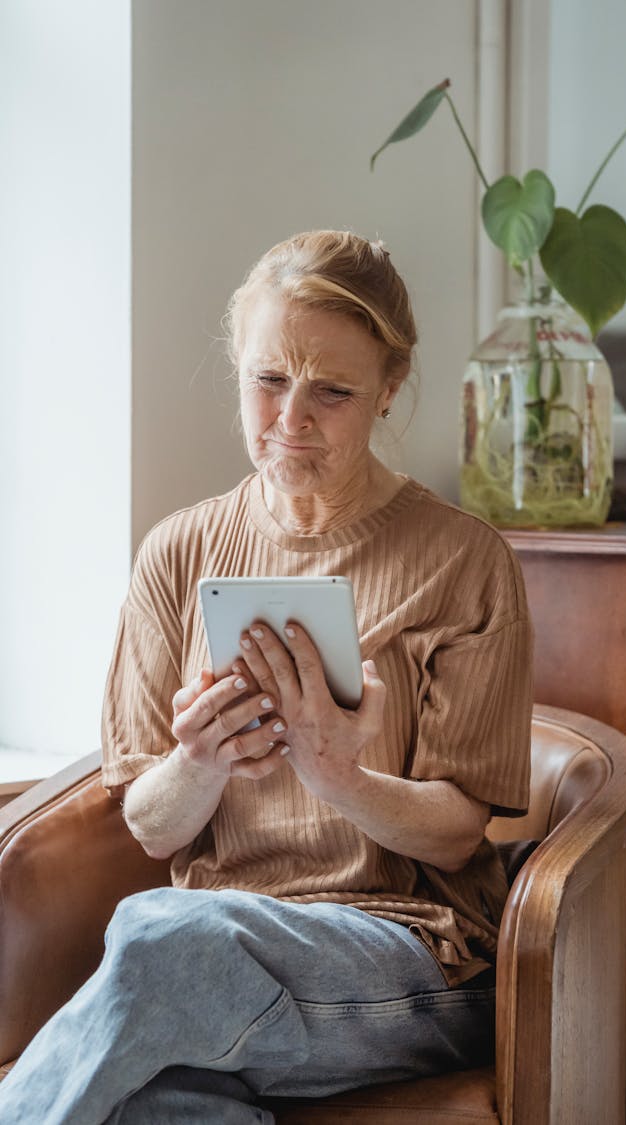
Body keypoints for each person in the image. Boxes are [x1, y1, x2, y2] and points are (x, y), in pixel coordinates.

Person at [0, 230, 533, 1123]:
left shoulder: (462, 560)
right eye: (267, 380)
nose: (291, 419)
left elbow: (455, 835)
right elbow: (150, 822)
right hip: (204, 950)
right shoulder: (177, 553)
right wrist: (199, 761)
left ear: (390, 390)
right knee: (158, 1096)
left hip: (408, 957)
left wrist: (339, 776)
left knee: (159, 939)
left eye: (333, 391)